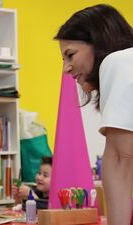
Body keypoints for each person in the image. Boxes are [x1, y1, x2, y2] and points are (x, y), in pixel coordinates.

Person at [55, 4, 133, 225]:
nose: (66, 68)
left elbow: (120, 159)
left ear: (99, 42)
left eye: (70, 55)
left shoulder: (118, 61)